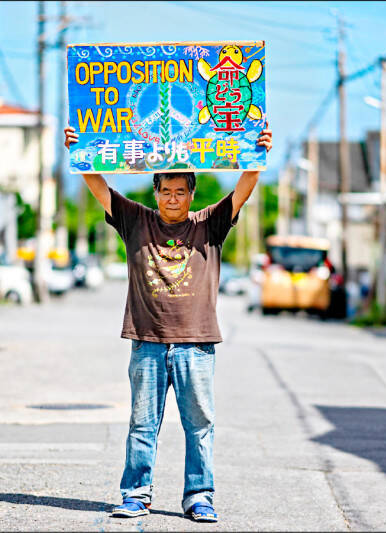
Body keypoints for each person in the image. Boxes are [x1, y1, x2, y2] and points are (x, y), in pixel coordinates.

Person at [64, 125, 272, 522]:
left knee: (200, 425)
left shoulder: (209, 224)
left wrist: (258, 156)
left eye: (181, 191)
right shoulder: (135, 221)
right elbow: (99, 187)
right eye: (165, 190)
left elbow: (244, 188)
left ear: (192, 194)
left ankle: (199, 496)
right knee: (142, 425)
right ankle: (136, 494)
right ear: (155, 191)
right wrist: (80, 151)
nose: (173, 198)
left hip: (196, 343)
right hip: (148, 342)